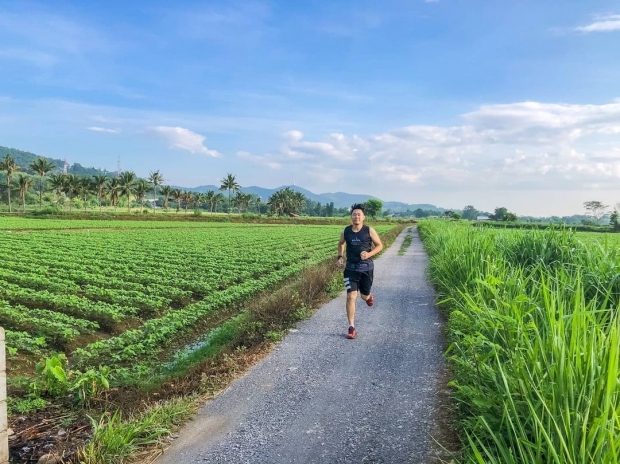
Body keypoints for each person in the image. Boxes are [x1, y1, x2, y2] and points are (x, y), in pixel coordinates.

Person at [337, 203, 383, 339]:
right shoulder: (346, 231)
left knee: (364, 296)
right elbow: (340, 243)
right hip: (350, 269)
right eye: (354, 214)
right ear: (351, 216)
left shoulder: (369, 230)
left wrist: (368, 254)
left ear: (363, 217)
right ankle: (351, 327)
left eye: (359, 214)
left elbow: (380, 245)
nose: (356, 216)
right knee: (351, 296)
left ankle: (369, 297)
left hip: (366, 269)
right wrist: (340, 256)